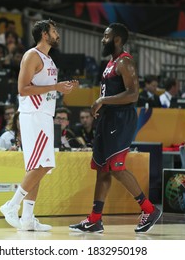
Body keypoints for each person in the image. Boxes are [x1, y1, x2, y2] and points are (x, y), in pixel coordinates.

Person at [69, 23, 161, 234]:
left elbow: (133, 94)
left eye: (106, 36)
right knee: (102, 169)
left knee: (115, 167)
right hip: (108, 119)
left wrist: (102, 100)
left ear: (117, 39)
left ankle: (148, 209)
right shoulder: (110, 62)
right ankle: (94, 219)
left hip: (121, 120)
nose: (103, 39)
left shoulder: (125, 61)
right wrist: (103, 105)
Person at [0, 19, 79, 231]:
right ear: (45, 34)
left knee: (36, 167)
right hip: (33, 114)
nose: (57, 34)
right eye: (54, 30)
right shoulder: (31, 55)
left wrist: (63, 88)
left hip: (44, 115)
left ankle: (27, 219)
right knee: (43, 165)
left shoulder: (49, 60)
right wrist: (56, 86)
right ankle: (11, 205)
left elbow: (47, 88)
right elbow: (23, 89)